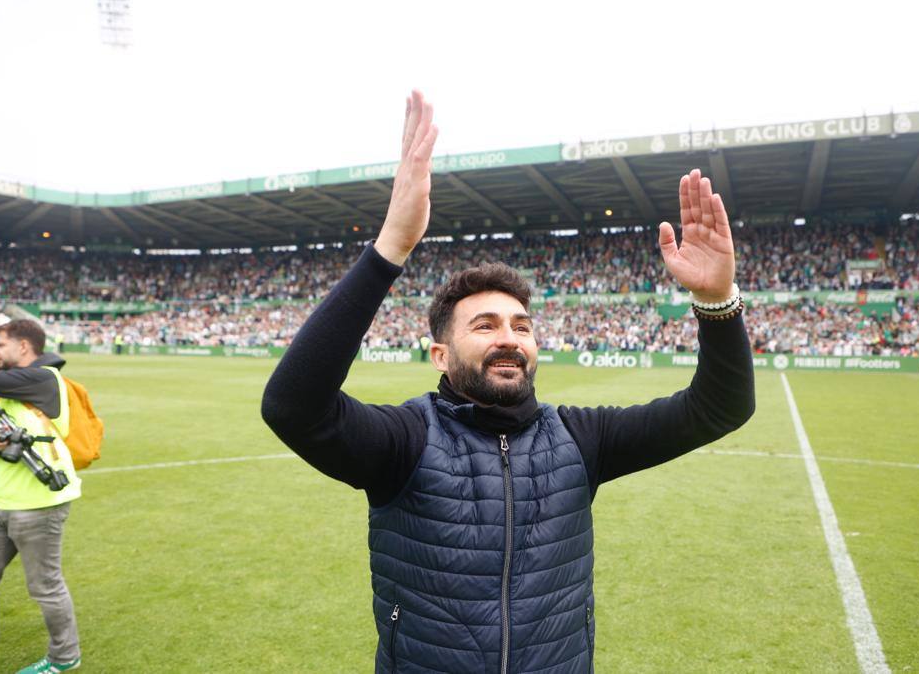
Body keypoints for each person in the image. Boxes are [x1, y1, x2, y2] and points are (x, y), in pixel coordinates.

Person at [261, 91, 755, 673]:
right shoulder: (404, 440)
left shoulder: (579, 439)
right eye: (486, 325)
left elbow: (720, 407)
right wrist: (391, 246)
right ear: (440, 354)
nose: (510, 338)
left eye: (522, 326)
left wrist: (717, 300)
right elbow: (293, 407)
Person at [0, 320, 82, 674]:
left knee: (45, 587)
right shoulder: (4, 389)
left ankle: (65, 657)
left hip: (40, 505)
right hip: (0, 504)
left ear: (23, 347)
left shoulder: (42, 379)